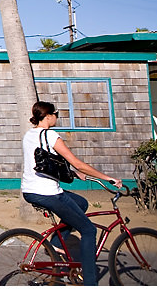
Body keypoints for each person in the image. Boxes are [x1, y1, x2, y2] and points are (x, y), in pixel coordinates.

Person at [21, 101, 122, 286]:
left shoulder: (29, 134)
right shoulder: (51, 136)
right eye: (56, 113)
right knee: (89, 230)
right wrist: (108, 178)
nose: (57, 117)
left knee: (81, 203)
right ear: (49, 115)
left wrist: (74, 173)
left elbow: (45, 162)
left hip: (30, 190)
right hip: (48, 193)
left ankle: (57, 245)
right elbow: (78, 163)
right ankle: (90, 282)